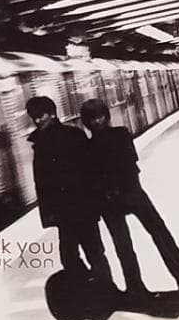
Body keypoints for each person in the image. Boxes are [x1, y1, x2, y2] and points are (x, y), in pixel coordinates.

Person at [79, 98, 179, 301]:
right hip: (125, 194)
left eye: (100, 117)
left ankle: (178, 282)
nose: (97, 122)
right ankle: (151, 285)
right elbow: (123, 165)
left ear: (106, 116)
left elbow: (124, 165)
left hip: (123, 195)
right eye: (92, 119)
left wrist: (113, 188)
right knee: (140, 240)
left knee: (144, 239)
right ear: (87, 122)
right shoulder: (112, 138)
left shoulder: (111, 138)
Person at [26, 95, 115, 289]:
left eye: (41, 115)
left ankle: (106, 290)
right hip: (65, 211)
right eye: (34, 116)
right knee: (74, 255)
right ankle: (93, 289)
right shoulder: (41, 143)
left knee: (90, 252)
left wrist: (94, 203)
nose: (38, 120)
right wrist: (49, 213)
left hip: (81, 207)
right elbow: (42, 183)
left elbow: (90, 171)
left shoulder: (72, 136)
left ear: (53, 113)